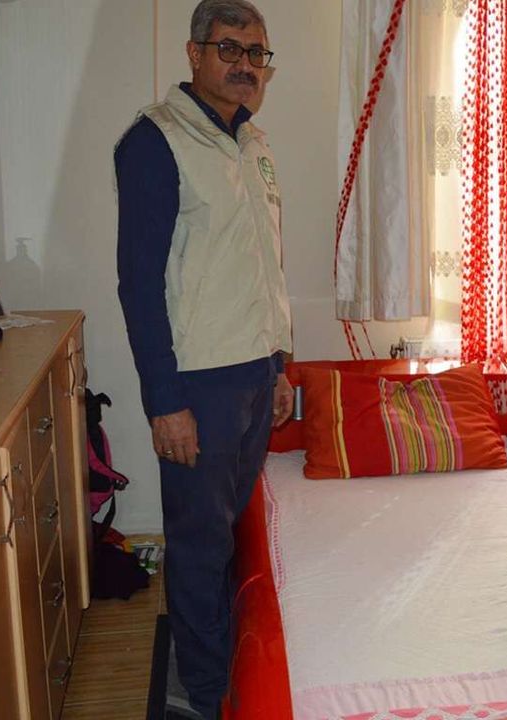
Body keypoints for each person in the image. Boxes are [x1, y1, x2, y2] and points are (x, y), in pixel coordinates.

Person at [114, 1, 292, 716]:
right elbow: (138, 284)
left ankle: (224, 662)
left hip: (254, 371)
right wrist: (166, 402)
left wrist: (279, 363)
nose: (246, 65)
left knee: (229, 532)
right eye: (229, 49)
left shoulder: (253, 143)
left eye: (256, 53)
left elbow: (265, 264)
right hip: (199, 382)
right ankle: (206, 691)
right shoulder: (155, 141)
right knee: (197, 542)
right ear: (194, 54)